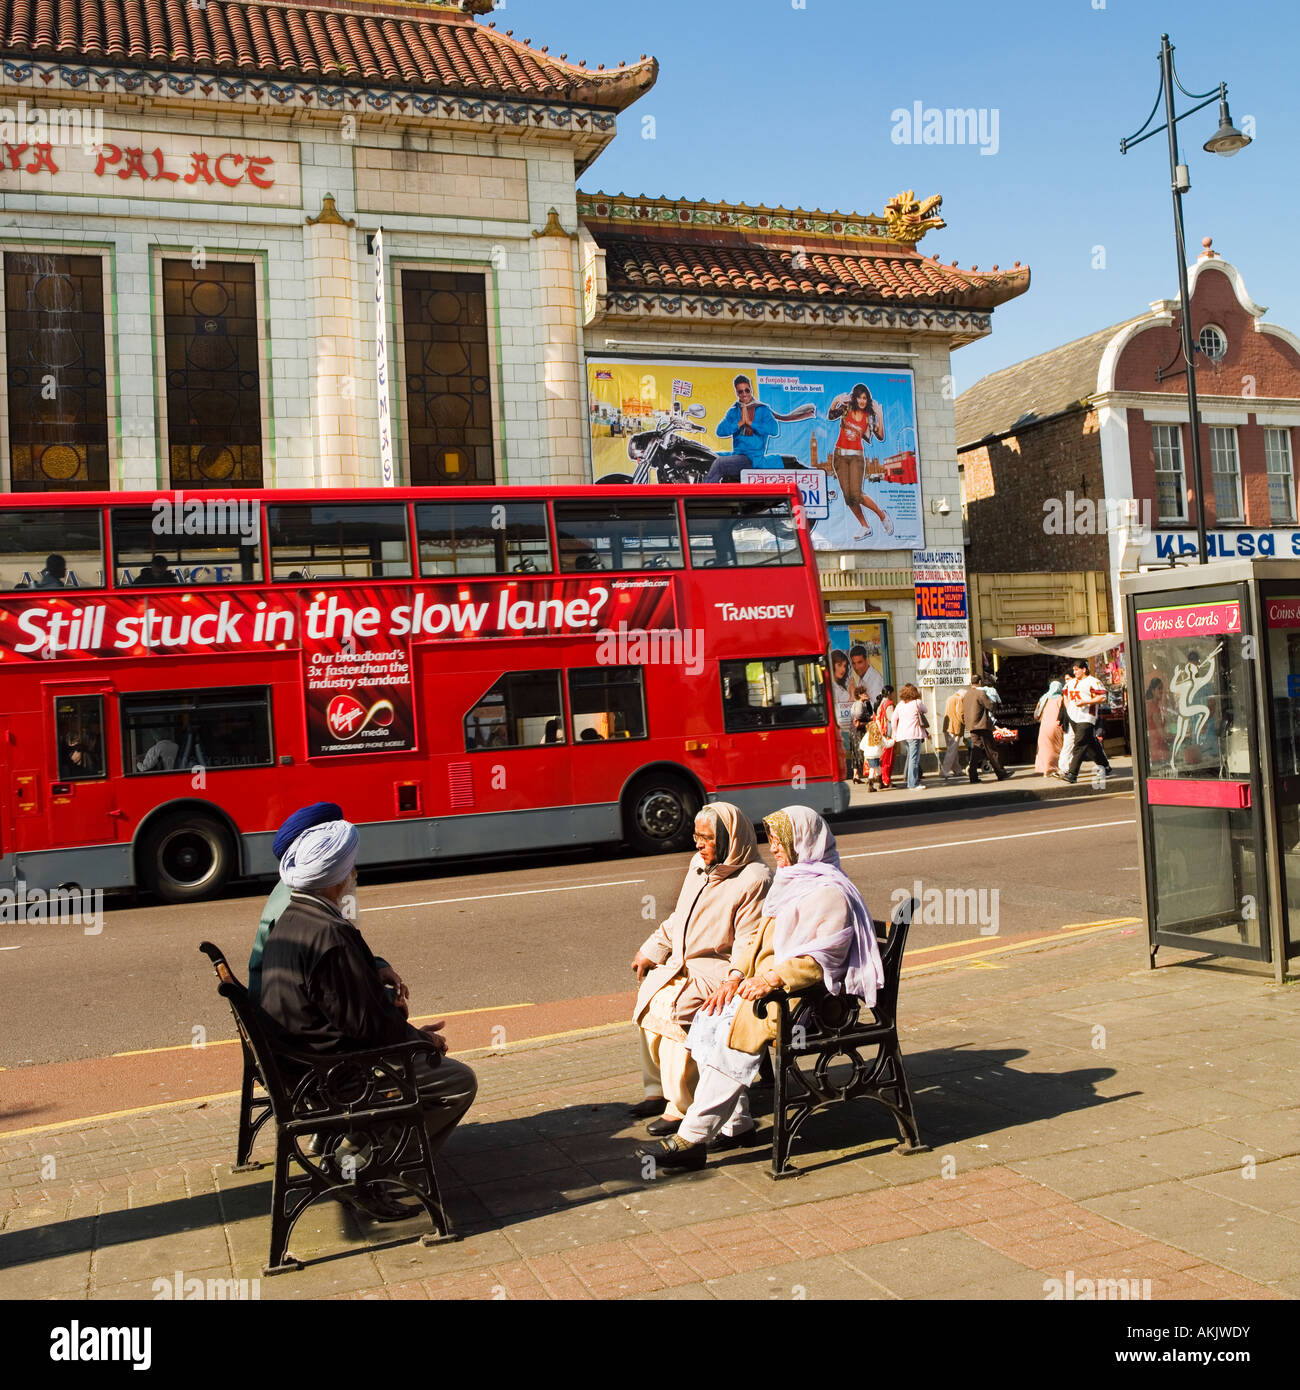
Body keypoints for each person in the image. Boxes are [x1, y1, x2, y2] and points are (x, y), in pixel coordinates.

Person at [635, 807, 882, 1171]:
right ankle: (737, 1125)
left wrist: (768, 980)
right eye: (773, 840)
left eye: (782, 842)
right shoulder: (794, 879)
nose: (775, 848)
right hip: (775, 994)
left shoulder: (828, 891)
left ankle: (692, 1137)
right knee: (708, 1018)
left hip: (807, 1004)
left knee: (734, 1033)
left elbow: (818, 961)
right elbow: (756, 944)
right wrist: (734, 980)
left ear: (804, 843)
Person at [258, 820, 476, 1182]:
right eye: (350, 869)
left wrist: (399, 1022)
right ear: (335, 878)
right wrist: (419, 1040)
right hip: (330, 1077)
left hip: (304, 1066)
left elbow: (355, 1017)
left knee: (423, 1063)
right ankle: (366, 1172)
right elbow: (368, 1030)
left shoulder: (293, 918)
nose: (355, 875)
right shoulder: (330, 935)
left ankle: (357, 1151)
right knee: (458, 1082)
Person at [629, 804, 771, 1133]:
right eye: (697, 836)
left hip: (717, 973)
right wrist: (651, 949)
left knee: (675, 1010)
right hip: (684, 961)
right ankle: (658, 1091)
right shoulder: (700, 864)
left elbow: (749, 941)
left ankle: (681, 1106)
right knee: (650, 993)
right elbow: (681, 917)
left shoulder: (754, 879)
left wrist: (734, 979)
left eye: (706, 838)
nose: (699, 844)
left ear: (729, 839)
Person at [249, 801, 346, 1005]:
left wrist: (378, 966)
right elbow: (336, 990)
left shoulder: (291, 887)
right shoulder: (303, 900)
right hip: (289, 1014)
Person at [827, 383, 894, 540]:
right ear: (854, 398)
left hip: (856, 457)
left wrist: (881, 415)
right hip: (839, 456)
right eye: (859, 397)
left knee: (856, 494)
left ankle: (882, 515)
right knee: (848, 496)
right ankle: (865, 526)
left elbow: (881, 436)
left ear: (867, 400)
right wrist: (836, 400)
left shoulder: (869, 416)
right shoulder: (846, 409)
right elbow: (831, 415)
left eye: (865, 398)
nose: (862, 401)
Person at [703, 376, 780, 483]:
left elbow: (774, 430)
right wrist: (739, 423)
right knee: (706, 457)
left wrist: (750, 423)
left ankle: (704, 495)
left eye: (747, 390)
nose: (744, 394)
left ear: (751, 390)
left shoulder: (762, 409)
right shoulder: (734, 411)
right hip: (737, 455)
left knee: (720, 463)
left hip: (753, 458)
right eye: (740, 391)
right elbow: (720, 431)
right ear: (737, 393)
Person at [1057, 658, 1112, 784]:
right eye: (1074, 670)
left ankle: (1072, 773)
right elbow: (1064, 693)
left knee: (1080, 744)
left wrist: (1086, 702)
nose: (1075, 672)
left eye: (1077, 670)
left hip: (1087, 717)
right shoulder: (1071, 683)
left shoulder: (1093, 682)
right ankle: (1105, 766)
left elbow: (1102, 697)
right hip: (1074, 717)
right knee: (1091, 743)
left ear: (1084, 669)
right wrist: (1069, 707)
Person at [963, 680, 1009, 782]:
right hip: (982, 725)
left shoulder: (966, 694)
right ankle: (1000, 772)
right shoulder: (981, 693)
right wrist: (994, 700)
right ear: (979, 682)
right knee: (991, 749)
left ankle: (973, 775)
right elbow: (990, 706)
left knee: (976, 749)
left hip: (971, 726)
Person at [892, 683, 929, 790]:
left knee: (910, 757)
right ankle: (913, 783)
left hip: (902, 736)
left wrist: (894, 733)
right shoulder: (917, 702)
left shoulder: (900, 704)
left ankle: (910, 780)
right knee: (914, 759)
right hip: (914, 734)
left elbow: (894, 719)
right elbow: (925, 710)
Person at [829, 650, 857, 773]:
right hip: (841, 724)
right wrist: (851, 694)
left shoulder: (839, 685)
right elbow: (845, 706)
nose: (843, 669)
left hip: (846, 725)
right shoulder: (832, 687)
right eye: (839, 665)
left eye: (845, 666)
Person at [1033, 680, 1065, 776]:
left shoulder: (1044, 698)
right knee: (1058, 748)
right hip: (1057, 726)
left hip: (1044, 726)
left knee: (1045, 749)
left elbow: (1036, 715)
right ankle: (1058, 768)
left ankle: (1046, 770)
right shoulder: (1062, 699)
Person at [940, 684, 967, 781]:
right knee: (952, 750)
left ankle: (957, 770)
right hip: (955, 727)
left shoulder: (949, 698)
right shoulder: (959, 700)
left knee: (952, 750)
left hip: (947, 727)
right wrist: (966, 722)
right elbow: (960, 713)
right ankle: (944, 771)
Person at [1145, 676, 1171, 764]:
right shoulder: (1153, 708)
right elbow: (1163, 735)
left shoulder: (1151, 705)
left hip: (1154, 749)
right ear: (1153, 691)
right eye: (1159, 688)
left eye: (1162, 689)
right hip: (1159, 750)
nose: (1162, 691)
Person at [875, 686, 896, 788]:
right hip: (888, 734)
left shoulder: (880, 704)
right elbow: (892, 718)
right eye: (892, 693)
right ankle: (886, 780)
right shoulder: (889, 704)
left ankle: (883, 780)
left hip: (881, 734)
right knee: (888, 759)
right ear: (889, 693)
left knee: (883, 758)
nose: (893, 695)